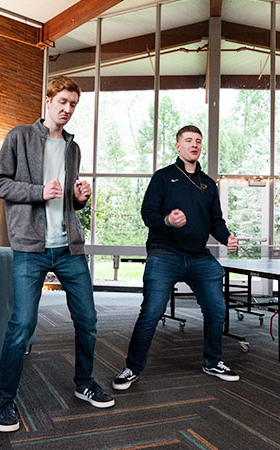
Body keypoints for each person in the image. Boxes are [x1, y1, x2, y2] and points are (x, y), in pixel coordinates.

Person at [0, 76, 114, 433]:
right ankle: (4, 400)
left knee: (87, 319)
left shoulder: (72, 148)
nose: (67, 109)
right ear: (47, 101)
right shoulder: (20, 137)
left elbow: (68, 201)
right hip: (31, 247)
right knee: (23, 324)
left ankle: (84, 381)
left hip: (69, 247)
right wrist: (38, 191)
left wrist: (80, 197)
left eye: (73, 104)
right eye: (62, 101)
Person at [112, 125, 240, 391]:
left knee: (217, 309)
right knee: (151, 312)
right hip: (165, 252)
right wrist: (167, 220)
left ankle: (213, 361)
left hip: (199, 256)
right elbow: (148, 214)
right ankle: (132, 368)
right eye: (188, 140)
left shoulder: (208, 184)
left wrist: (226, 237)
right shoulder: (163, 177)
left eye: (198, 141)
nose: (194, 145)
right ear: (178, 146)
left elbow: (216, 221)